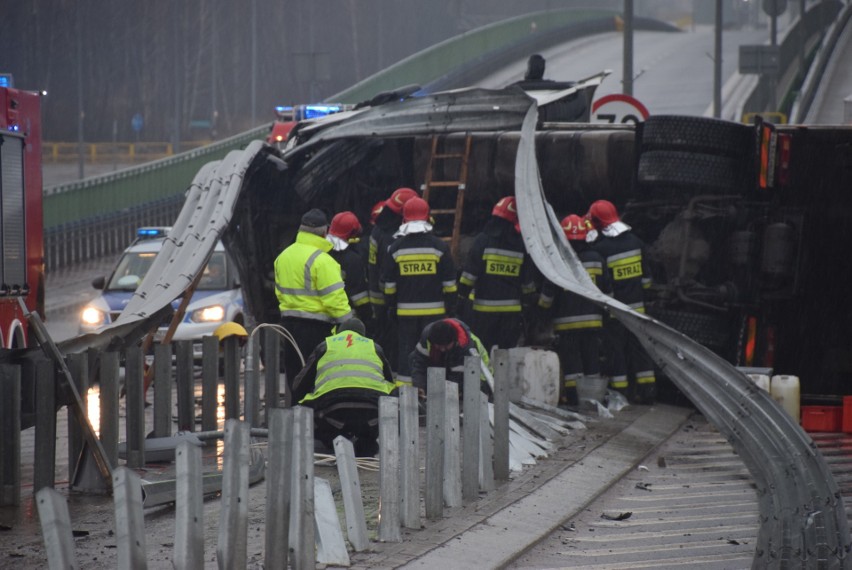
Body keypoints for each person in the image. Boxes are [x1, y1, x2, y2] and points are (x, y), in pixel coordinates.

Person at [291, 318, 397, 457]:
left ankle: (333, 440)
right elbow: (390, 385)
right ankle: (365, 442)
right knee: (377, 415)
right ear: (362, 335)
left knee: (306, 410)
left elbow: (298, 385)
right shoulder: (374, 347)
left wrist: (297, 407)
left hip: (334, 407)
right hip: (371, 409)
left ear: (339, 332)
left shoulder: (325, 345)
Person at [274, 208, 353, 395]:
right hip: (315, 329)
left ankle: (297, 417)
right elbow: (335, 300)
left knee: (295, 378)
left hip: (288, 326)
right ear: (325, 232)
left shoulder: (283, 256)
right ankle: (313, 420)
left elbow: (279, 293)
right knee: (317, 380)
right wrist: (350, 324)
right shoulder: (323, 261)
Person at [586, 199, 656, 405]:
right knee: (640, 350)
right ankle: (648, 391)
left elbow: (602, 285)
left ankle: (621, 394)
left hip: (615, 312)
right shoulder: (636, 242)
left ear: (598, 222)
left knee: (616, 352)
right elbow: (647, 281)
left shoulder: (601, 249)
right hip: (637, 310)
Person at [381, 197, 457, 384]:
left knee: (407, 352)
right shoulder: (440, 247)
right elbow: (450, 285)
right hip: (435, 314)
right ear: (427, 218)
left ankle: (407, 392)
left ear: (404, 220)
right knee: (434, 352)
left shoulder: (395, 248)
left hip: (405, 314)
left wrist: (391, 307)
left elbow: (388, 286)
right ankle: (433, 388)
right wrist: (452, 308)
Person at [537, 215, 609, 406]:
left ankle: (573, 398)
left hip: (567, 324)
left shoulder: (558, 261)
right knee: (592, 360)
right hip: (593, 321)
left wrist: (541, 312)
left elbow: (548, 295)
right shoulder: (597, 259)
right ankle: (594, 400)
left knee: (572, 364)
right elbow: (607, 291)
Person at [457, 196, 536, 352]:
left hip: (483, 314)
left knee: (478, 351)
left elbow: (469, 276)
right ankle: (503, 378)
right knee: (506, 356)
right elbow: (528, 284)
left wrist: (460, 298)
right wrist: (529, 305)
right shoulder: (521, 245)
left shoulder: (482, 241)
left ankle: (477, 377)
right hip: (511, 315)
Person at [368, 187, 419, 365]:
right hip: (398, 301)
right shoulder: (404, 236)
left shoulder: (377, 232)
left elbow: (373, 269)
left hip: (386, 299)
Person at [409, 317, 492, 397]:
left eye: (445, 346)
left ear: (454, 340)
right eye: (438, 346)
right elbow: (419, 364)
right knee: (413, 356)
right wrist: (419, 386)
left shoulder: (467, 346)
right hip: (450, 369)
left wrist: (448, 393)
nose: (442, 349)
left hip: (479, 379)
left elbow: (461, 377)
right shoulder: (427, 338)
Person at [327, 211, 372, 325]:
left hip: (322, 317)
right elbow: (359, 295)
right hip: (347, 318)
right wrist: (368, 316)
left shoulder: (321, 254)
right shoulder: (353, 260)